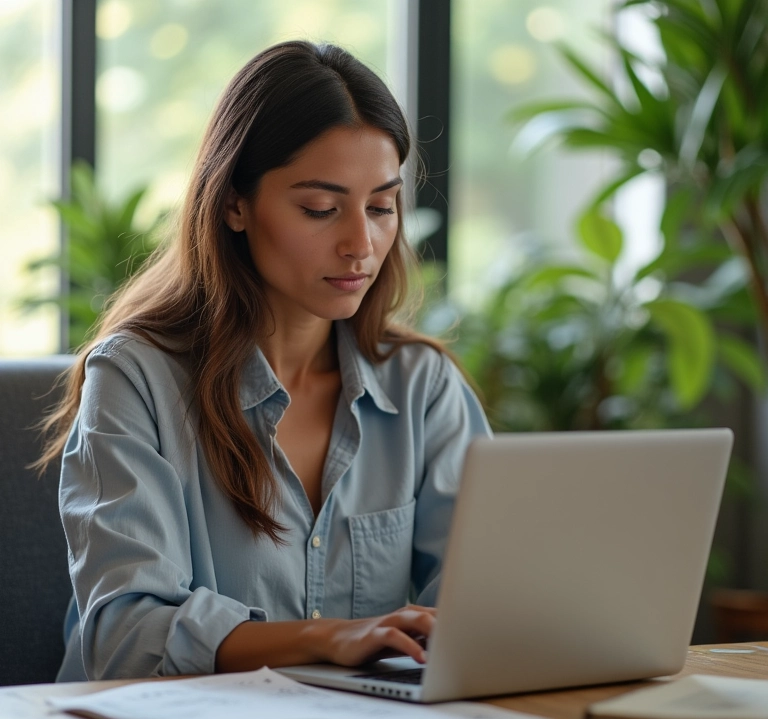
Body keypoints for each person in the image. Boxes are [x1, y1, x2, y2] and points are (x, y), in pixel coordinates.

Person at [41, 40, 491, 682]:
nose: (361, 244)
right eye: (320, 209)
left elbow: (484, 609)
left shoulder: (422, 386)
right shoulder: (136, 379)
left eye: (382, 207)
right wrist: (327, 638)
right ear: (234, 205)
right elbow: (125, 637)